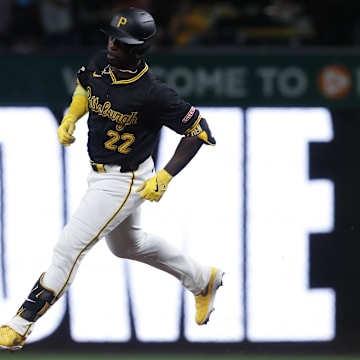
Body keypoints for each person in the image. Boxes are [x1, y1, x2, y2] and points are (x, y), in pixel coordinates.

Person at [0, 7, 223, 352]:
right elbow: (84, 86)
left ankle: (19, 325)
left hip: (124, 181)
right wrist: (71, 117)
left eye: (121, 42)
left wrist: (166, 175)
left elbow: (199, 131)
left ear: (138, 49)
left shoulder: (152, 92)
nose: (112, 45)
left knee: (68, 249)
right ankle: (202, 278)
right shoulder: (99, 62)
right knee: (126, 246)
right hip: (99, 172)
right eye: (112, 37)